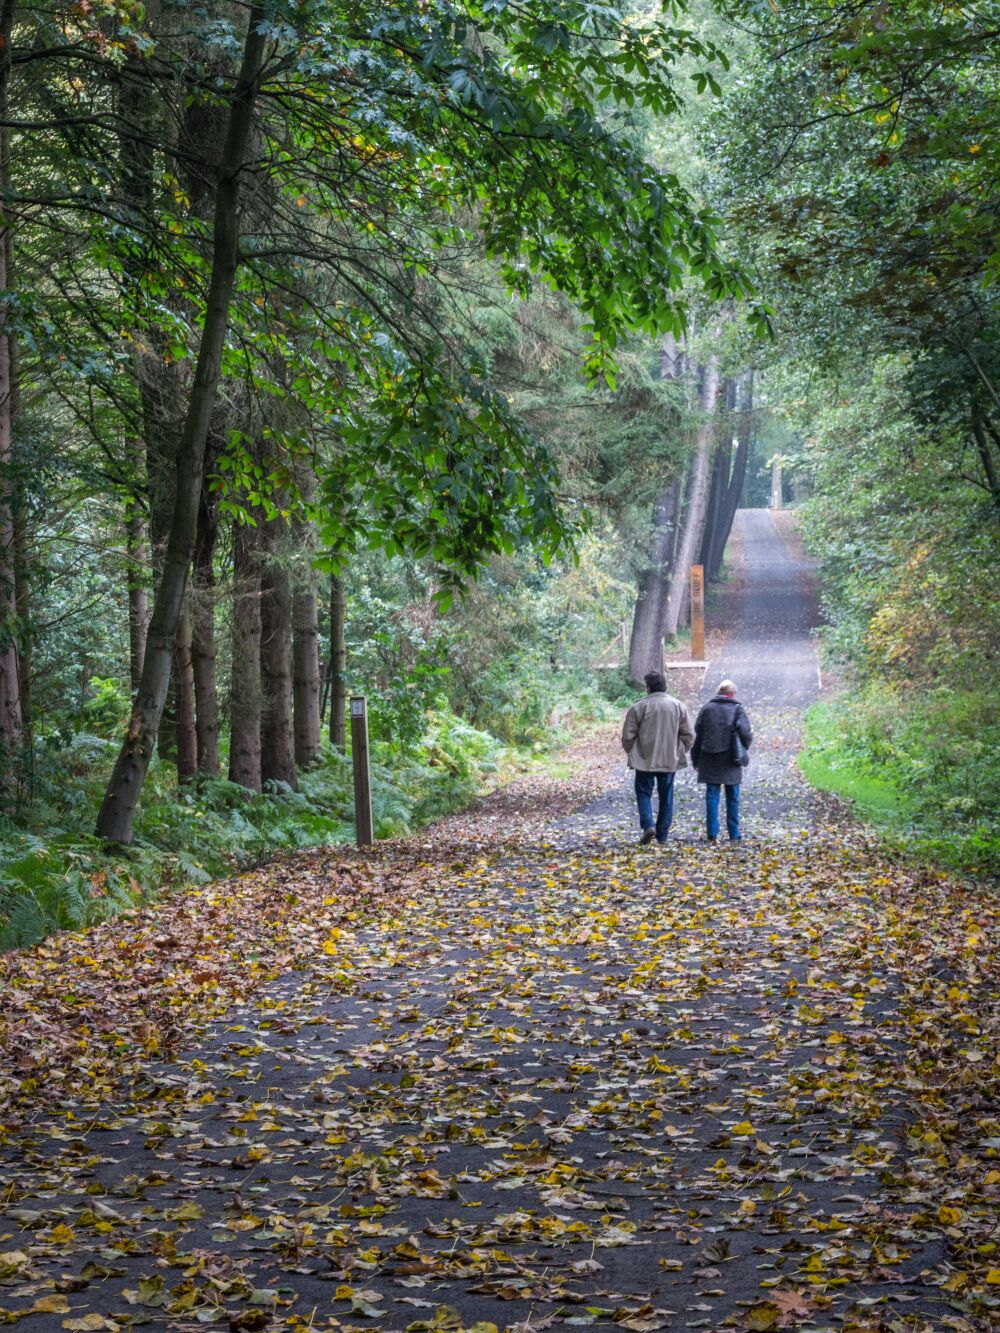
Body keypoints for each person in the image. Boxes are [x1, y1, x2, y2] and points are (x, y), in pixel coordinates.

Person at [621, 671, 694, 846]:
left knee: (643, 793)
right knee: (666, 796)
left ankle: (648, 825)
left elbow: (627, 736)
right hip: (669, 760)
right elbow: (689, 734)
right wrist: (680, 750)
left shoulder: (638, 707)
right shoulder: (678, 706)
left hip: (645, 759)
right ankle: (662, 835)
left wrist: (633, 751)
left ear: (648, 687)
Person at [691, 680, 753, 844]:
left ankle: (712, 833)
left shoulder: (706, 709)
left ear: (718, 692)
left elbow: (697, 735)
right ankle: (734, 833)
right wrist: (743, 748)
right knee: (732, 796)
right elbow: (746, 734)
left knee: (712, 796)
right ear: (732, 694)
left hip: (710, 757)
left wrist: (695, 759)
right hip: (731, 758)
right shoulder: (737, 709)